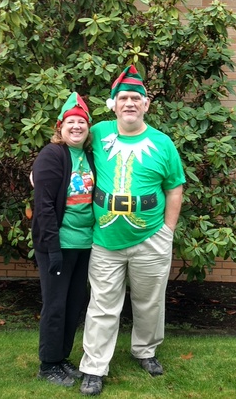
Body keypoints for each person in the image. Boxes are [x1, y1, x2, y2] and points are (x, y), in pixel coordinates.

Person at [79, 65, 186, 396]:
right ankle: (95, 367)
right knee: (102, 304)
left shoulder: (162, 143)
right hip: (106, 240)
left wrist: (167, 231)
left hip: (151, 237)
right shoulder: (97, 133)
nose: (129, 103)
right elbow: (67, 151)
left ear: (146, 105)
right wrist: (42, 173)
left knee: (149, 302)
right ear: (113, 104)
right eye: (123, 97)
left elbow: (175, 188)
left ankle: (146, 351)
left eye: (135, 98)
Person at [31, 92, 96, 387]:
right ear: (61, 126)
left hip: (85, 244)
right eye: (70, 121)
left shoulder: (90, 156)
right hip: (58, 245)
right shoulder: (52, 154)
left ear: (88, 127)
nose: (76, 126)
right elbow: (43, 205)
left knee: (73, 304)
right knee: (55, 305)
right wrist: (52, 249)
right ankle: (48, 365)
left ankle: (62, 358)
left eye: (81, 122)